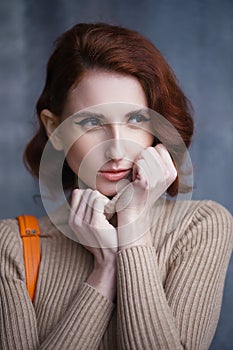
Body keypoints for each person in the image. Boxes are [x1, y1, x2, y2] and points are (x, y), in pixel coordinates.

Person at [0, 22, 232, 350]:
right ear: (54, 128)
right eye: (92, 123)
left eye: (136, 119)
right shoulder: (11, 246)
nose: (117, 150)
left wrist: (132, 229)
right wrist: (104, 272)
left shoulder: (201, 225)